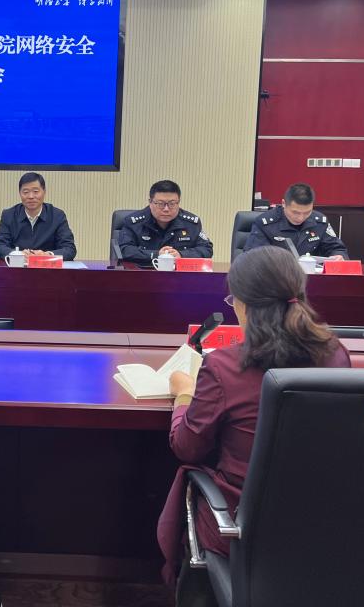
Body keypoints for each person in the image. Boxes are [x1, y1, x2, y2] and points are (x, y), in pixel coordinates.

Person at [157, 246, 351, 605]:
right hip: (319, 520)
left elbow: (187, 447)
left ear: (244, 305)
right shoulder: (335, 354)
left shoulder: (224, 367)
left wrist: (184, 394)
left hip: (242, 526)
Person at [118, 180, 213, 267]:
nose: (166, 209)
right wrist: (156, 255)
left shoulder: (191, 223)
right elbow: (124, 250)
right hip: (143, 275)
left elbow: (206, 249)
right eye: (160, 204)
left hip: (180, 276)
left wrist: (181, 255)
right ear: (150, 202)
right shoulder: (134, 222)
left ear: (178, 203)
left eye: (172, 204)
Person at [244, 182, 348, 260]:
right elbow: (252, 257)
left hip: (312, 278)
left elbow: (337, 248)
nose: (301, 218)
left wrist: (338, 256)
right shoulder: (265, 223)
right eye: (295, 212)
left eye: (307, 212)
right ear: (284, 204)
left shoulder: (320, 222)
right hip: (276, 278)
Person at [0, 172, 76, 260]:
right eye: (26, 192)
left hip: (47, 267)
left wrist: (47, 255)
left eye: (36, 191)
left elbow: (69, 249)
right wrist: (18, 254)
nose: (31, 196)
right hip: (17, 266)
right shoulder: (9, 215)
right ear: (20, 193)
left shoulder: (57, 215)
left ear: (44, 192)